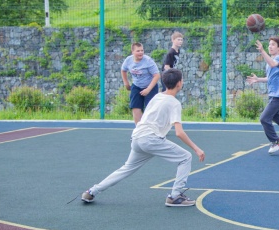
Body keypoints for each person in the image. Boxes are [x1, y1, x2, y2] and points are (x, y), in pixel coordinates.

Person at [81, 69, 206, 207]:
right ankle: (175, 196)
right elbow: (179, 133)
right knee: (186, 157)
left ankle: (92, 191)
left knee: (126, 168)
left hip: (137, 137)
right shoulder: (174, 103)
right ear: (179, 83)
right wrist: (196, 149)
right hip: (150, 139)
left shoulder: (157, 96)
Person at [246, 36, 279, 154]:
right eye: (269, 44)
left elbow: (272, 64)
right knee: (276, 116)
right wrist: (258, 79)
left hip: (278, 96)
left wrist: (262, 51)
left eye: (273, 45)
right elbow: (270, 77)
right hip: (274, 95)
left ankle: (275, 142)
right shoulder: (271, 61)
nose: (270, 46)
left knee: (264, 119)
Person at [121, 42, 160, 124]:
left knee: (150, 109)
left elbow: (156, 75)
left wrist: (148, 89)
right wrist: (126, 83)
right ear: (133, 52)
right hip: (136, 86)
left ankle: (151, 127)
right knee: (135, 107)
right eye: (138, 51)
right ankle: (139, 128)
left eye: (142, 50)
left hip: (150, 86)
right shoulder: (128, 60)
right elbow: (123, 70)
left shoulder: (148, 61)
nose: (141, 52)